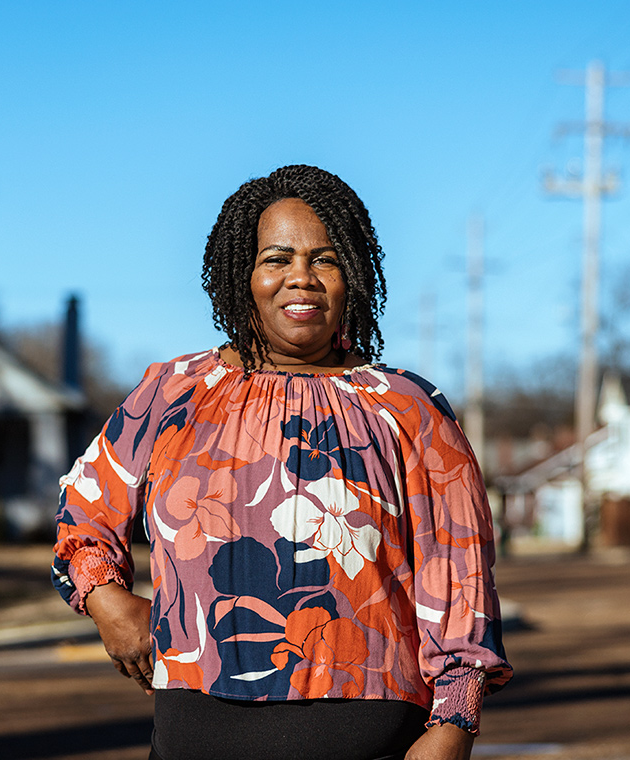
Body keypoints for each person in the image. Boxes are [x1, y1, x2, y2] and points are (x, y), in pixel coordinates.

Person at [52, 164, 512, 760]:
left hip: (370, 735)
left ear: (354, 275)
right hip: (197, 730)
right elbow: (84, 507)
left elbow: (461, 577)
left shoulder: (408, 409)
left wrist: (454, 725)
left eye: (325, 259)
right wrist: (108, 603)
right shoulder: (174, 394)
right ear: (242, 275)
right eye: (277, 258)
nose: (302, 278)